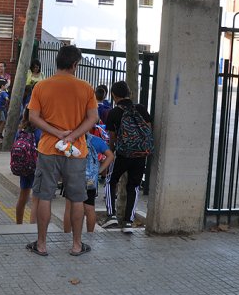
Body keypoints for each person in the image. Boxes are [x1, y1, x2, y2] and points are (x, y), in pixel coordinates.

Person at [26, 44, 98, 257]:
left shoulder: (41, 86)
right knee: (77, 199)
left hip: (49, 149)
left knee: (44, 196)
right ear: (75, 64)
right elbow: (93, 117)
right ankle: (76, 245)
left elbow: (33, 117)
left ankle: (41, 244)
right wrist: (73, 136)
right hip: (76, 151)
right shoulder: (85, 87)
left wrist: (57, 134)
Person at [103, 81, 152, 233]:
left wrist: (110, 155)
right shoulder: (141, 109)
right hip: (140, 154)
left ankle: (111, 216)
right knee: (134, 186)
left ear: (114, 95)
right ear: (129, 93)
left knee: (110, 181)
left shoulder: (113, 113)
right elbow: (148, 129)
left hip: (122, 154)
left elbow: (112, 138)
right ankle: (128, 222)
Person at [63, 133, 114, 233]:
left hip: (73, 177)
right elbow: (110, 156)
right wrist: (99, 170)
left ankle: (67, 234)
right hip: (90, 179)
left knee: (69, 207)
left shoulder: (71, 139)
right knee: (89, 207)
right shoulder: (96, 140)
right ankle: (90, 234)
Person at [13, 109, 38, 225]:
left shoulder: (21, 130)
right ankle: (33, 227)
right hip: (36, 167)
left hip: (23, 166)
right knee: (36, 199)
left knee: (23, 196)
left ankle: (19, 224)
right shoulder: (39, 131)